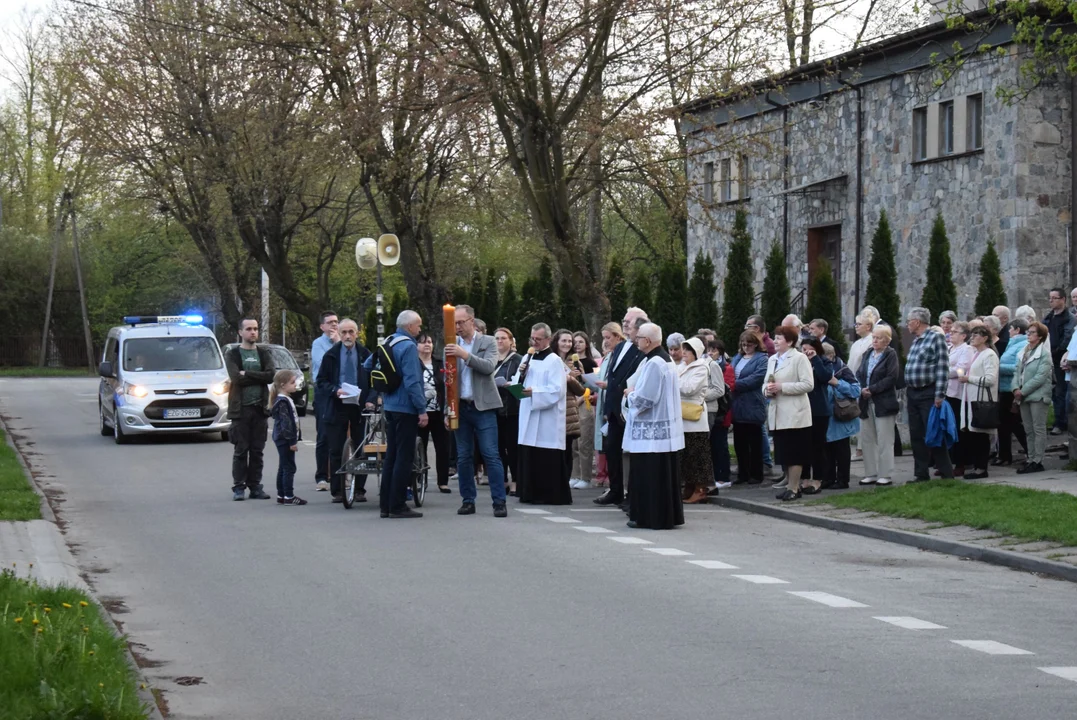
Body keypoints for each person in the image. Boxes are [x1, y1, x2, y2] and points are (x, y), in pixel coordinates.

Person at [445, 304, 508, 518]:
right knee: (463, 456)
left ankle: (499, 501)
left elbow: (489, 367)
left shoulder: (488, 341)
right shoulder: (451, 343)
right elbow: (448, 379)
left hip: (483, 407)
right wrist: (449, 408)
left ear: (472, 321)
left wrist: (465, 355)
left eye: (461, 323)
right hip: (461, 406)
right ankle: (467, 500)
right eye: (454, 324)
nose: (457, 327)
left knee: (491, 454)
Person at [367, 310, 428, 519]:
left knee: (391, 455)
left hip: (390, 406)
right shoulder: (409, 347)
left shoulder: (389, 341)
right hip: (406, 408)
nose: (419, 330)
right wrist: (421, 409)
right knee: (404, 456)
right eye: (418, 326)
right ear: (410, 327)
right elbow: (412, 382)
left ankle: (386, 504)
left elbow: (368, 365)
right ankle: (398, 504)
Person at [624, 323, 685, 530]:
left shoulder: (654, 363)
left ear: (648, 341)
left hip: (651, 434)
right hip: (662, 431)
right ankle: (665, 515)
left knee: (649, 476)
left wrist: (629, 394)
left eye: (639, 337)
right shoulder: (663, 360)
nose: (636, 340)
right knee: (662, 476)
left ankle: (650, 517)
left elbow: (646, 399)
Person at [316, 319, 376, 503]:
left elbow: (376, 380)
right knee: (335, 448)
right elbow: (321, 381)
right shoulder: (331, 355)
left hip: (360, 406)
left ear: (357, 333)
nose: (348, 336)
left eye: (351, 332)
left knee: (361, 447)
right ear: (339, 334)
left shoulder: (365, 354)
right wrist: (335, 390)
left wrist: (371, 400)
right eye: (344, 332)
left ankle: (359, 489)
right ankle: (338, 490)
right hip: (337, 404)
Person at [594, 308, 648, 507]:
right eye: (624, 320)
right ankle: (615, 490)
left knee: (631, 454)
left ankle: (630, 493)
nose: (624, 324)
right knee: (612, 450)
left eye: (629, 321)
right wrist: (608, 409)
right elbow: (612, 375)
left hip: (629, 407)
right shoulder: (620, 346)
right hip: (614, 409)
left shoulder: (641, 348)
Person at [516, 323, 572, 504]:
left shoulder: (554, 361)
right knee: (529, 453)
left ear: (548, 339)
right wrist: (519, 377)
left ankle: (549, 495)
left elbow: (557, 390)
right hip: (529, 413)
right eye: (532, 338)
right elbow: (519, 383)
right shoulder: (528, 357)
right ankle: (528, 493)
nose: (534, 342)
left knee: (545, 456)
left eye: (538, 339)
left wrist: (535, 391)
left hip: (547, 417)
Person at [225, 318, 275, 501]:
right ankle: (239, 487)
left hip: (260, 408)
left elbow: (270, 376)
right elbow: (236, 378)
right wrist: (256, 376)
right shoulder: (233, 354)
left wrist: (248, 373)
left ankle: (255, 486)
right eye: (248, 329)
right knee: (241, 450)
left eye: (255, 329)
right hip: (241, 409)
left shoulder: (263, 353)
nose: (253, 332)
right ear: (240, 332)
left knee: (257, 451)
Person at [904, 307, 954, 483]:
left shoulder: (936, 338)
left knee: (934, 433)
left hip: (928, 392)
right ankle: (921, 473)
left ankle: (947, 472)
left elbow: (942, 367)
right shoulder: (916, 340)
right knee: (916, 434)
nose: (907, 324)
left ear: (917, 322)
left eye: (909, 320)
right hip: (913, 392)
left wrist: (939, 394)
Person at [765, 326, 814, 501]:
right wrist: (767, 390)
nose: (775, 341)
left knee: (795, 452)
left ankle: (794, 487)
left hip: (795, 414)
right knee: (783, 453)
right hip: (777, 413)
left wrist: (782, 387)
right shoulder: (772, 360)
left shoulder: (799, 358)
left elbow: (808, 384)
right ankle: (789, 486)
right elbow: (766, 382)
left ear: (790, 342)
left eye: (779, 338)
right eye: (775, 338)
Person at [856, 325, 900, 486]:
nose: (875, 340)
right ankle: (870, 473)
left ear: (887, 340)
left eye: (879, 338)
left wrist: (872, 389)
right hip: (866, 401)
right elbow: (860, 373)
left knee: (884, 439)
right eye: (874, 337)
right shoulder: (868, 353)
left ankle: (885, 474)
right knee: (867, 439)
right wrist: (862, 389)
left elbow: (891, 377)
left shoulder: (890, 355)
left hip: (883, 402)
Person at [958, 325, 1000, 478]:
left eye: (976, 335)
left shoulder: (989, 355)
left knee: (981, 436)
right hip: (971, 398)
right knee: (974, 435)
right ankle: (976, 466)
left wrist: (969, 378)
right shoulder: (976, 353)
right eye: (972, 335)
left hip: (981, 400)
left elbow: (990, 379)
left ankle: (981, 468)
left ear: (985, 338)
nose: (972, 338)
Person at [1013, 321, 1052, 474]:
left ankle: (1038, 460)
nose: (1028, 335)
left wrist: (1022, 391)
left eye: (1033, 332)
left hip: (1038, 396)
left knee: (1038, 428)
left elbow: (1040, 377)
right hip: (1023, 395)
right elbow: (1017, 372)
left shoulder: (1044, 354)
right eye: (1028, 332)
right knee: (1028, 429)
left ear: (1040, 336)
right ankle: (1030, 458)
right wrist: (1015, 387)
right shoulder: (1023, 351)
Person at [730, 330, 769, 484]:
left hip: (752, 402)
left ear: (756, 344)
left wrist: (734, 385)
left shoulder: (762, 359)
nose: (746, 347)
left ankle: (756, 474)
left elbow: (757, 378)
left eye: (749, 344)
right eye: (743, 344)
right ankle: (743, 473)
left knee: (754, 442)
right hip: (737, 404)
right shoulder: (737, 357)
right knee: (740, 443)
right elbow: (729, 374)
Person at [678, 337, 713, 503]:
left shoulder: (701, 368)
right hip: (681, 416)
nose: (683, 353)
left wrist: (672, 382)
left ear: (696, 353)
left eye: (688, 350)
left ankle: (700, 489)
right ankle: (689, 487)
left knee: (697, 456)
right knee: (686, 457)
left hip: (695, 418)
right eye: (683, 349)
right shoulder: (680, 367)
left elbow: (689, 389)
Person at [416, 331, 451, 494]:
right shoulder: (413, 363)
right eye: (423, 342)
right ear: (416, 345)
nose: (427, 345)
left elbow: (447, 385)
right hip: (420, 412)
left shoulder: (439, 363)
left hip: (438, 410)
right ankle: (419, 479)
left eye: (429, 341)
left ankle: (443, 481)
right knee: (419, 447)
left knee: (442, 447)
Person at [552, 329, 586, 490]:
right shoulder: (551, 360)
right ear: (556, 342)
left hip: (569, 411)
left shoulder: (576, 362)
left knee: (567, 450)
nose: (567, 344)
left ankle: (564, 484)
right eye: (563, 341)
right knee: (553, 450)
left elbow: (581, 389)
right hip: (552, 408)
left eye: (569, 341)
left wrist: (570, 378)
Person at [592, 322, 625, 489]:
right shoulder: (607, 357)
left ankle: (615, 484)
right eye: (603, 338)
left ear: (618, 337)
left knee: (614, 449)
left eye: (608, 337)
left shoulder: (620, 356)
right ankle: (611, 482)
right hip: (604, 404)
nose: (605, 341)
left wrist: (607, 386)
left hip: (615, 408)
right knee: (607, 448)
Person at [823, 343, 860, 490]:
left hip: (840, 416)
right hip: (826, 415)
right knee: (827, 449)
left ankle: (843, 480)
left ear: (830, 356)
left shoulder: (842, 369)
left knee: (841, 449)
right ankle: (828, 478)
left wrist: (837, 384)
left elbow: (855, 390)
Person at [798, 337, 832, 493]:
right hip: (802, 409)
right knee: (803, 446)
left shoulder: (824, 361)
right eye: (803, 349)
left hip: (819, 410)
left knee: (818, 446)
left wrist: (815, 359)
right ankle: (804, 478)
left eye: (809, 349)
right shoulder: (799, 361)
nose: (806, 352)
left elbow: (825, 377)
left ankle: (818, 479)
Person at [310, 311, 339, 491]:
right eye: (330, 323)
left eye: (336, 322)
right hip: (324, 393)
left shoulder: (344, 341)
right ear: (322, 327)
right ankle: (322, 476)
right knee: (324, 434)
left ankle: (339, 472)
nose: (334, 326)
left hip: (341, 391)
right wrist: (336, 345)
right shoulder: (318, 344)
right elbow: (324, 365)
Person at [493, 328, 523, 496]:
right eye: (496, 338)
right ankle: (501, 479)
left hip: (513, 410)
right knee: (496, 448)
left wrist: (510, 385)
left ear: (511, 341)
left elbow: (523, 386)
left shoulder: (518, 360)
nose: (500, 341)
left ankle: (516, 481)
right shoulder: (490, 360)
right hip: (494, 409)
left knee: (512, 448)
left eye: (503, 338)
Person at [996, 318, 1029, 466]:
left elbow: (1018, 367)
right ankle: (1004, 455)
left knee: (1014, 423)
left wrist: (997, 368)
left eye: (1010, 329)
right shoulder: (1012, 344)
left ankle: (1030, 451)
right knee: (1004, 424)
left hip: (1012, 388)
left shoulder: (1022, 345)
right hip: (1004, 387)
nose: (1008, 331)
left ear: (1017, 330)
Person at [271, 369, 306, 505]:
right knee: (289, 467)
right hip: (285, 439)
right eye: (292, 382)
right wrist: (292, 441)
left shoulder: (284, 399)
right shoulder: (283, 402)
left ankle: (281, 494)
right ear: (283, 385)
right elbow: (287, 424)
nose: (295, 385)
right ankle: (289, 496)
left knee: (283, 466)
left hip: (281, 438)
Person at [1044, 288, 1075, 435]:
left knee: (1061, 391)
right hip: (1048, 359)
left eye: (1054, 298)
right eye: (1050, 298)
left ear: (1062, 299)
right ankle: (1057, 420)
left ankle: (1060, 423)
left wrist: (1056, 352)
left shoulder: (1069, 318)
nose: (1051, 301)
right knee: (1053, 391)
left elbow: (1067, 337)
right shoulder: (1049, 317)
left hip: (1060, 360)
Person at [945, 321, 974, 477]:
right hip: (947, 392)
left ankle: (960, 462)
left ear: (963, 335)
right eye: (951, 331)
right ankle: (948, 460)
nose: (951, 334)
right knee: (948, 427)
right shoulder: (950, 348)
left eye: (955, 332)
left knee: (958, 427)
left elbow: (961, 369)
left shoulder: (966, 349)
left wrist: (944, 371)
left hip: (958, 393)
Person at [706, 338, 735, 490]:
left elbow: (727, 389)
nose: (710, 353)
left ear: (721, 352)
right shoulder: (705, 365)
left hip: (722, 412)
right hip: (710, 412)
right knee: (712, 446)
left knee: (720, 445)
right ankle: (714, 475)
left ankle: (723, 477)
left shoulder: (726, 368)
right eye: (709, 350)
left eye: (714, 350)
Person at [571, 331, 597, 488]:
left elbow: (595, 385)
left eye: (580, 341)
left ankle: (586, 477)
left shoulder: (591, 363)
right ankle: (575, 474)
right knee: (574, 444)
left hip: (585, 404)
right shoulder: (569, 362)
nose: (577, 344)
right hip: (572, 404)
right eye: (575, 341)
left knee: (584, 443)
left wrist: (581, 398)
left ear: (586, 344)